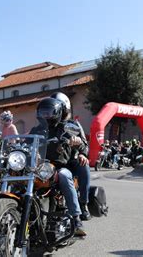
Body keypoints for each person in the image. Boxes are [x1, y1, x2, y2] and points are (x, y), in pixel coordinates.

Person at [30, 97, 87, 236]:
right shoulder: (36, 130)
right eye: (43, 113)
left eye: (48, 112)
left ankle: (76, 218)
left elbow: (82, 143)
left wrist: (78, 144)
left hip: (59, 166)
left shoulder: (66, 128)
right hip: (39, 168)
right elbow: (26, 143)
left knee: (64, 175)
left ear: (57, 113)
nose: (45, 116)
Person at [51, 92, 92, 221]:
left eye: (57, 108)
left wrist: (82, 153)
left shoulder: (73, 125)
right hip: (49, 163)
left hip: (70, 160)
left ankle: (83, 203)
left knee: (83, 165)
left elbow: (84, 143)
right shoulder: (44, 126)